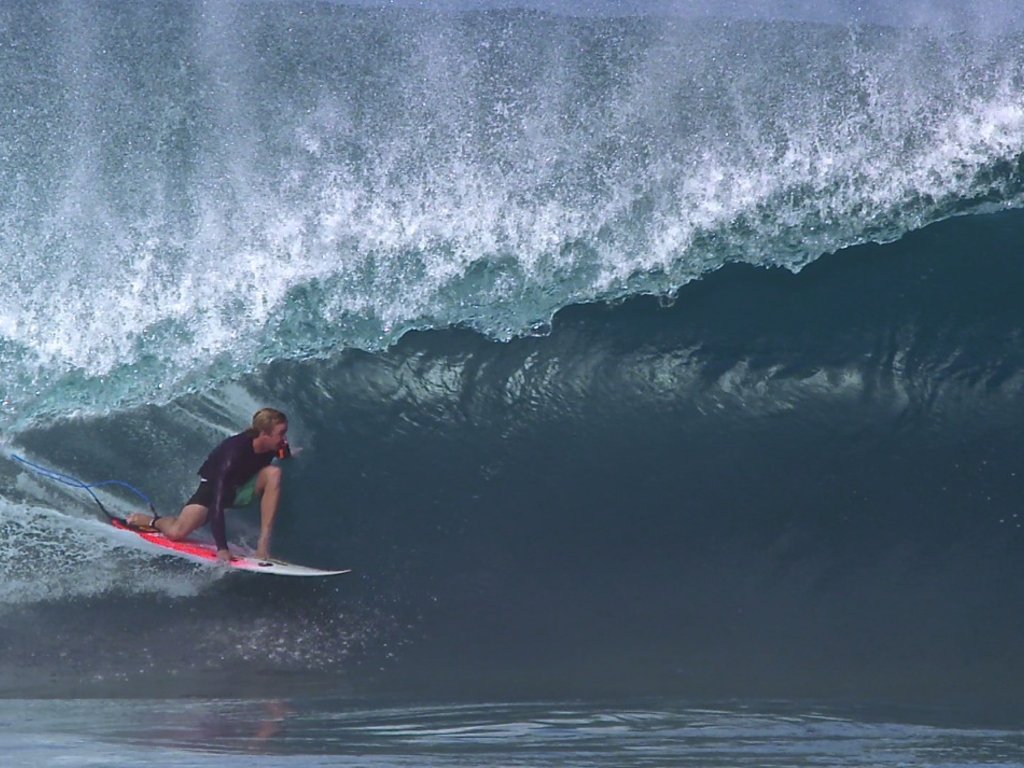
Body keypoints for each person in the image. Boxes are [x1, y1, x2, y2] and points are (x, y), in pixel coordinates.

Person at [127, 408, 291, 562]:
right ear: (264, 434)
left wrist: (289, 454)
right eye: (281, 433)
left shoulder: (273, 445)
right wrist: (222, 548)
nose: (284, 438)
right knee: (177, 532)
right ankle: (153, 521)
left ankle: (263, 543)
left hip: (242, 488)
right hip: (213, 490)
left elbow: (281, 453)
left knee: (274, 473)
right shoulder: (233, 452)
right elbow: (216, 502)